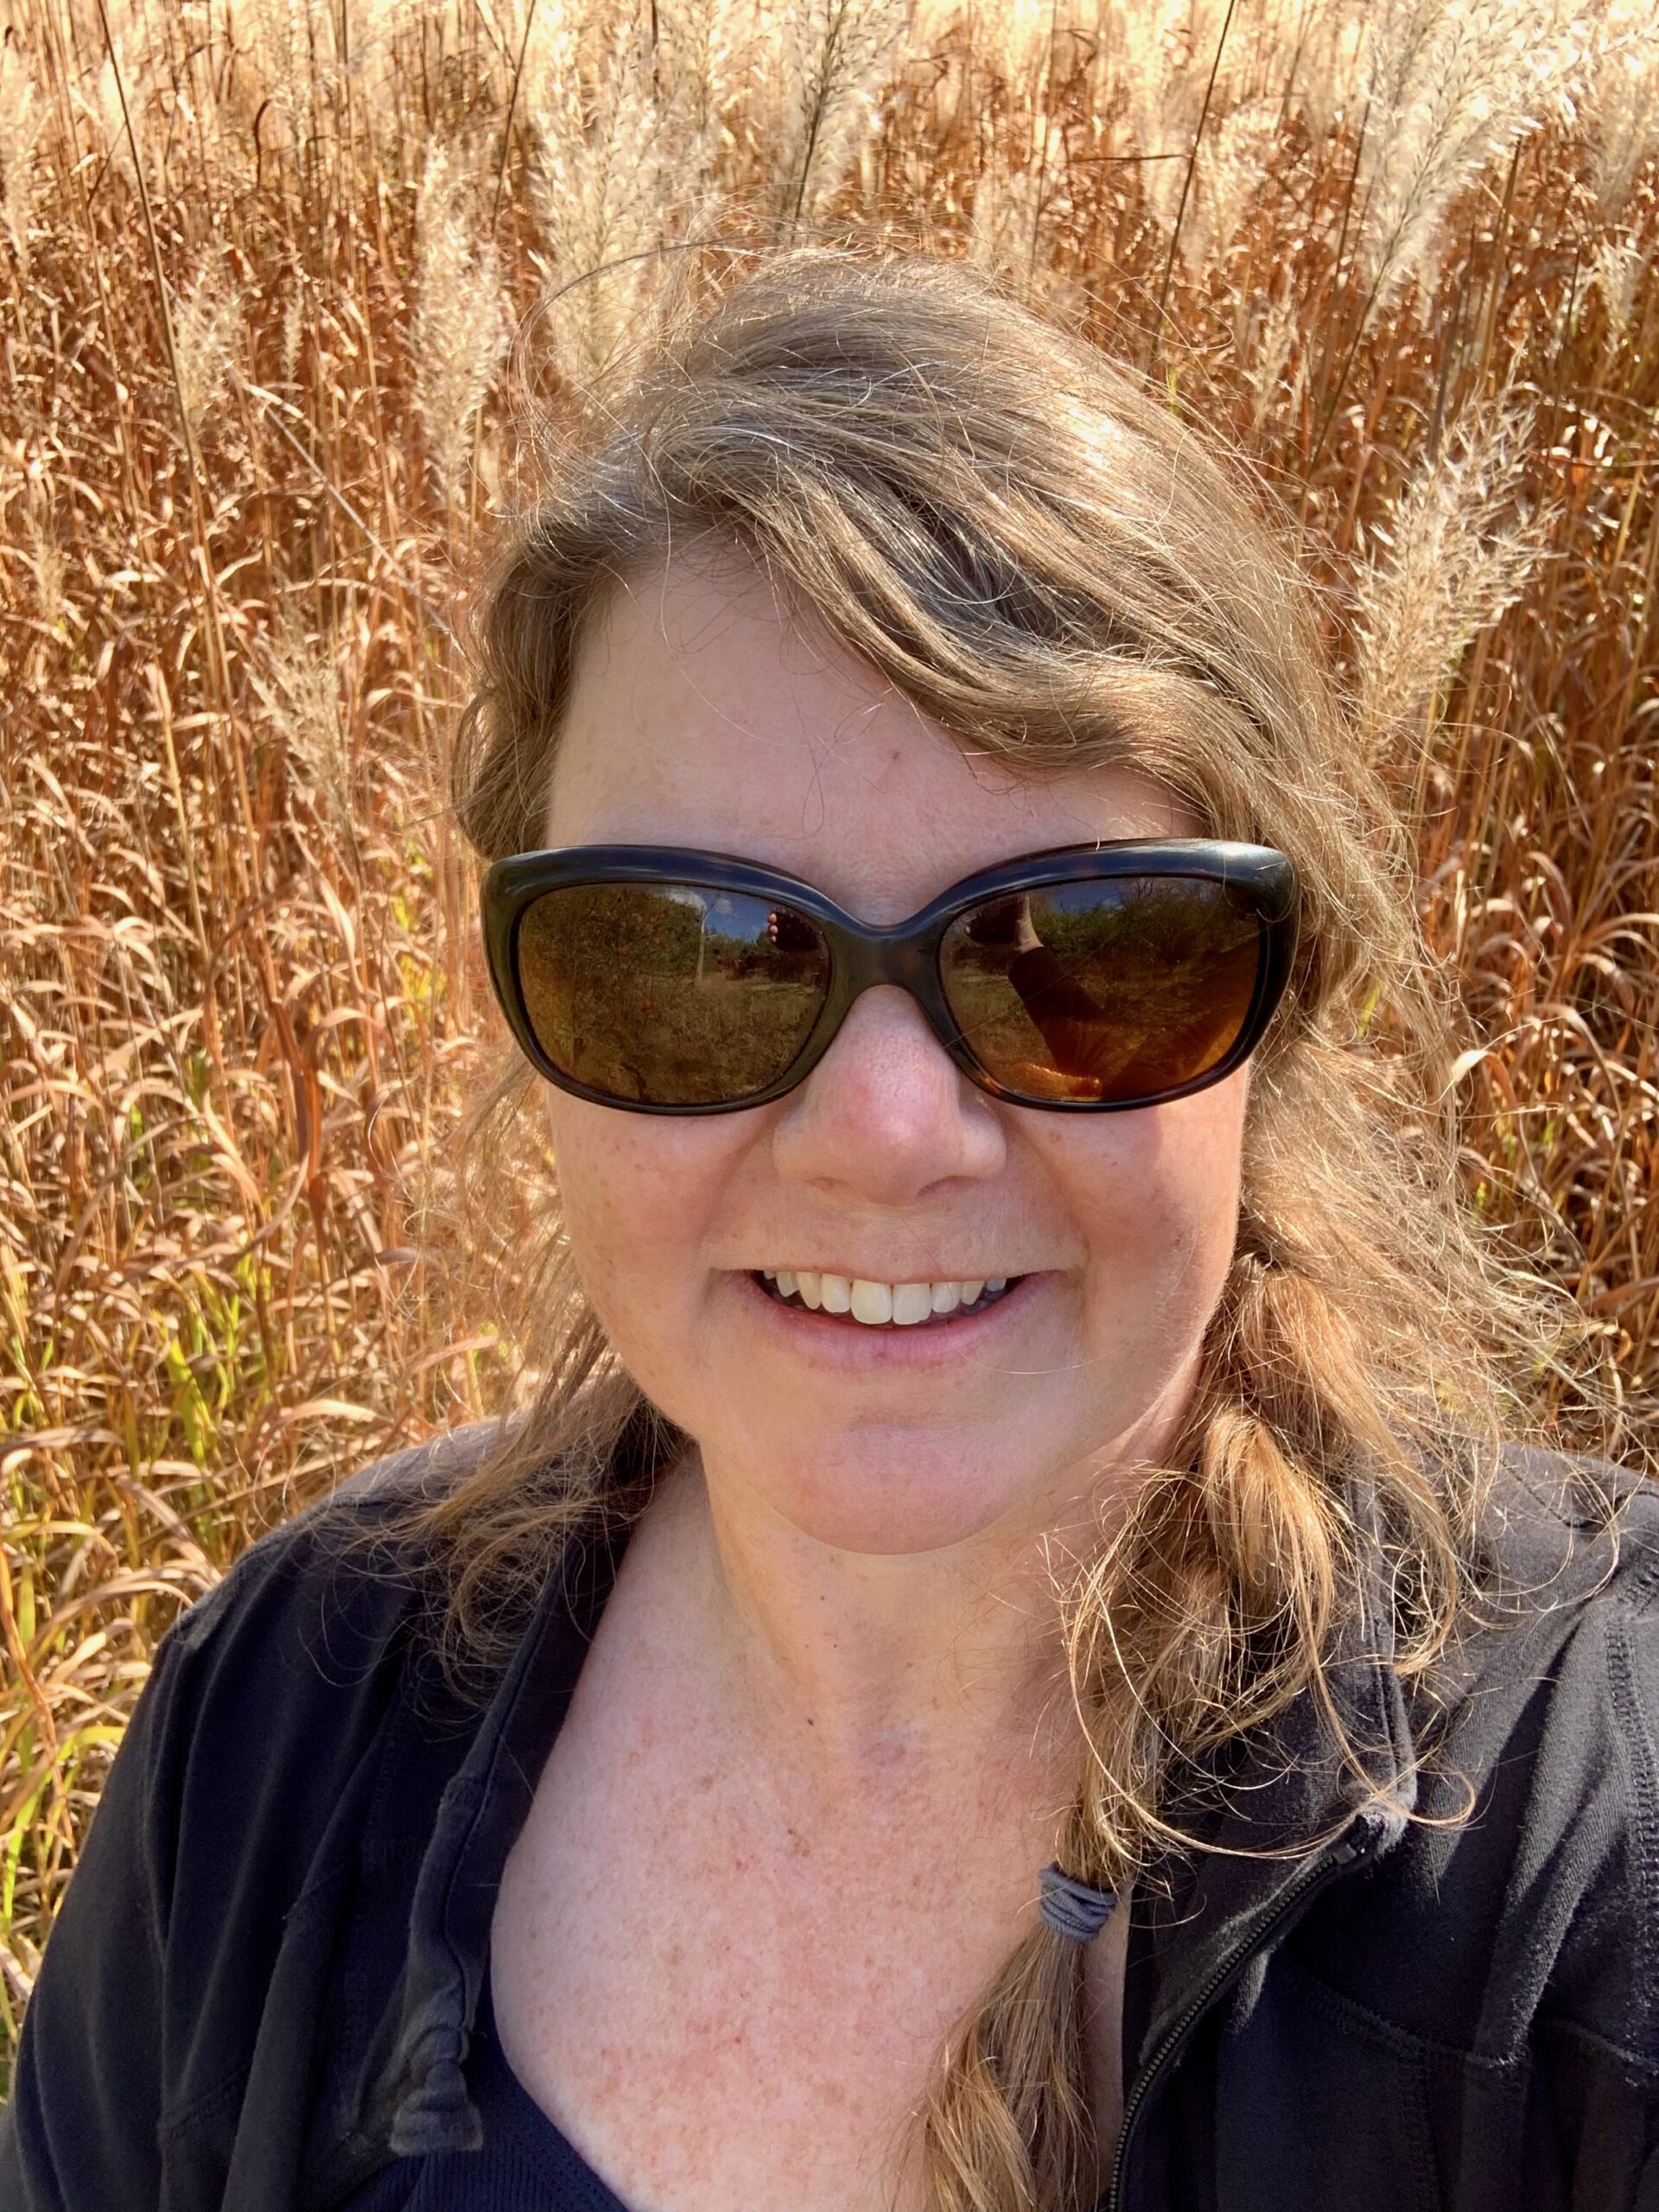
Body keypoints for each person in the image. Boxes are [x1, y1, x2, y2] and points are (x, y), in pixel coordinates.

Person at [3, 248, 1656, 2212]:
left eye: (1080, 949)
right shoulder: (273, 1735)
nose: (886, 1131)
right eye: (697, 958)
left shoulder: (1592, 1871)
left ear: (1273, 1012)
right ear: (524, 1008)